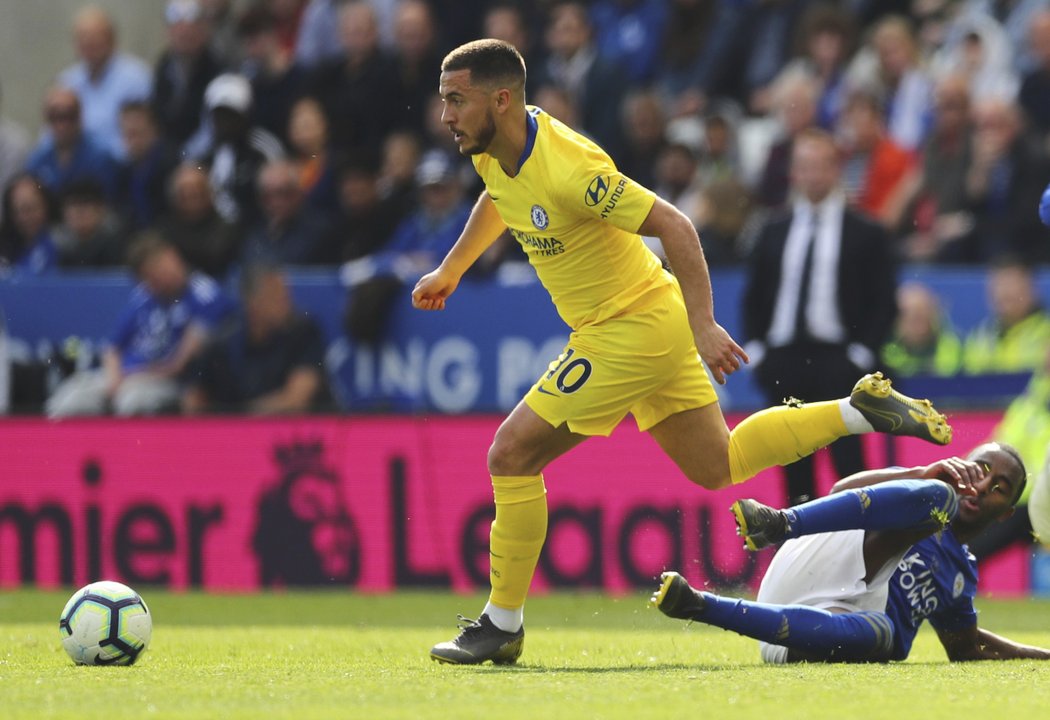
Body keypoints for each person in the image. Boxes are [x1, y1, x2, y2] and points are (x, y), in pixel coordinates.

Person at [413, 39, 952, 666]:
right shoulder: (491, 150)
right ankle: (859, 411)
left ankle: (501, 624)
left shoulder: (572, 170)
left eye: (457, 100)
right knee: (717, 465)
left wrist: (704, 325)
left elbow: (676, 225)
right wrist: (453, 268)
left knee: (510, 454)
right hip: (643, 320)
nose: (445, 114)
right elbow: (498, 198)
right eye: (444, 100)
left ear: (500, 99)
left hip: (629, 329)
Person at [653, 442, 1050, 663]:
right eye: (980, 469)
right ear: (963, 462)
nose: (982, 487)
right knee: (937, 501)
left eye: (999, 487)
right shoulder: (917, 490)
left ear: (1006, 516)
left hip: (804, 630)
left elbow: (967, 647)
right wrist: (920, 473)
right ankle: (779, 523)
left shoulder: (959, 576)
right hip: (812, 561)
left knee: (883, 636)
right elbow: (844, 488)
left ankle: (700, 606)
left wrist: (1044, 655)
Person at [743, 127, 897, 507]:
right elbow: (755, 296)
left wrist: (861, 355)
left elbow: (883, 302)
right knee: (794, 470)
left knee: (850, 468)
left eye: (820, 165)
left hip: (839, 360)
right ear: (793, 171)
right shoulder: (771, 230)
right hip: (784, 360)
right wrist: (759, 351)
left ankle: (861, 552)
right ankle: (802, 554)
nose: (812, 175)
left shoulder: (865, 232)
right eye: (804, 166)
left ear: (836, 169)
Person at [45, 234, 234, 417]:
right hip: (122, 376)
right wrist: (115, 380)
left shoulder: (206, 296)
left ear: (173, 255)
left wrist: (132, 376)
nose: (159, 280)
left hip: (163, 380)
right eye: (150, 277)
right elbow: (112, 347)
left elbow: (177, 365)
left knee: (132, 401)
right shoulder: (144, 296)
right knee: (68, 399)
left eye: (161, 269)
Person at [182, 263, 329, 414]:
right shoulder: (224, 341)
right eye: (276, 296)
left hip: (289, 433)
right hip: (233, 432)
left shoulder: (304, 332)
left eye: (286, 294)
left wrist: (240, 420)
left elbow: (296, 400)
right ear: (253, 304)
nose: (286, 302)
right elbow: (194, 396)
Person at [57, 5, 152, 160]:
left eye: (95, 36)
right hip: (77, 168)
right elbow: (50, 136)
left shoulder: (136, 78)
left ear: (112, 39)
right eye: (82, 37)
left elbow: (141, 139)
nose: (88, 42)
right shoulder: (67, 82)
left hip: (122, 167)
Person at [961, 257, 1050, 375]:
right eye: (998, 285)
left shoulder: (1046, 333)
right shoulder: (979, 336)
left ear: (1032, 289)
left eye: (1011, 284)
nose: (1004, 293)